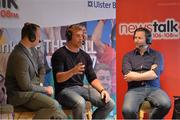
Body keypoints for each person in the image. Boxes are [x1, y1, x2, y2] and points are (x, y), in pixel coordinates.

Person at [51, 24, 115, 119]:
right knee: (80, 102)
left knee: (109, 103)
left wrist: (103, 90)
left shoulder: (85, 56)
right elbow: (59, 78)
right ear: (69, 37)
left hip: (80, 89)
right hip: (63, 91)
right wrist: (73, 71)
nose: (81, 38)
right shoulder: (59, 54)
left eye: (82, 36)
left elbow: (92, 78)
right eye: (78, 35)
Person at [5, 23, 67, 119]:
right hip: (20, 96)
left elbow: (42, 67)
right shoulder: (19, 56)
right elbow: (25, 86)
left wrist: (41, 84)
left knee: (57, 112)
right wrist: (45, 89)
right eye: (38, 36)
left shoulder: (33, 50)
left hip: (32, 92)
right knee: (54, 105)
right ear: (32, 37)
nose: (40, 39)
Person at [122, 27, 171, 119]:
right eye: (135, 37)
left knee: (165, 104)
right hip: (134, 89)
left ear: (148, 40)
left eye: (139, 38)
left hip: (154, 89)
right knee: (127, 110)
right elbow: (128, 75)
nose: (136, 40)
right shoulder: (128, 56)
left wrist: (135, 75)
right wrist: (149, 73)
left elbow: (154, 74)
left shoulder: (157, 55)